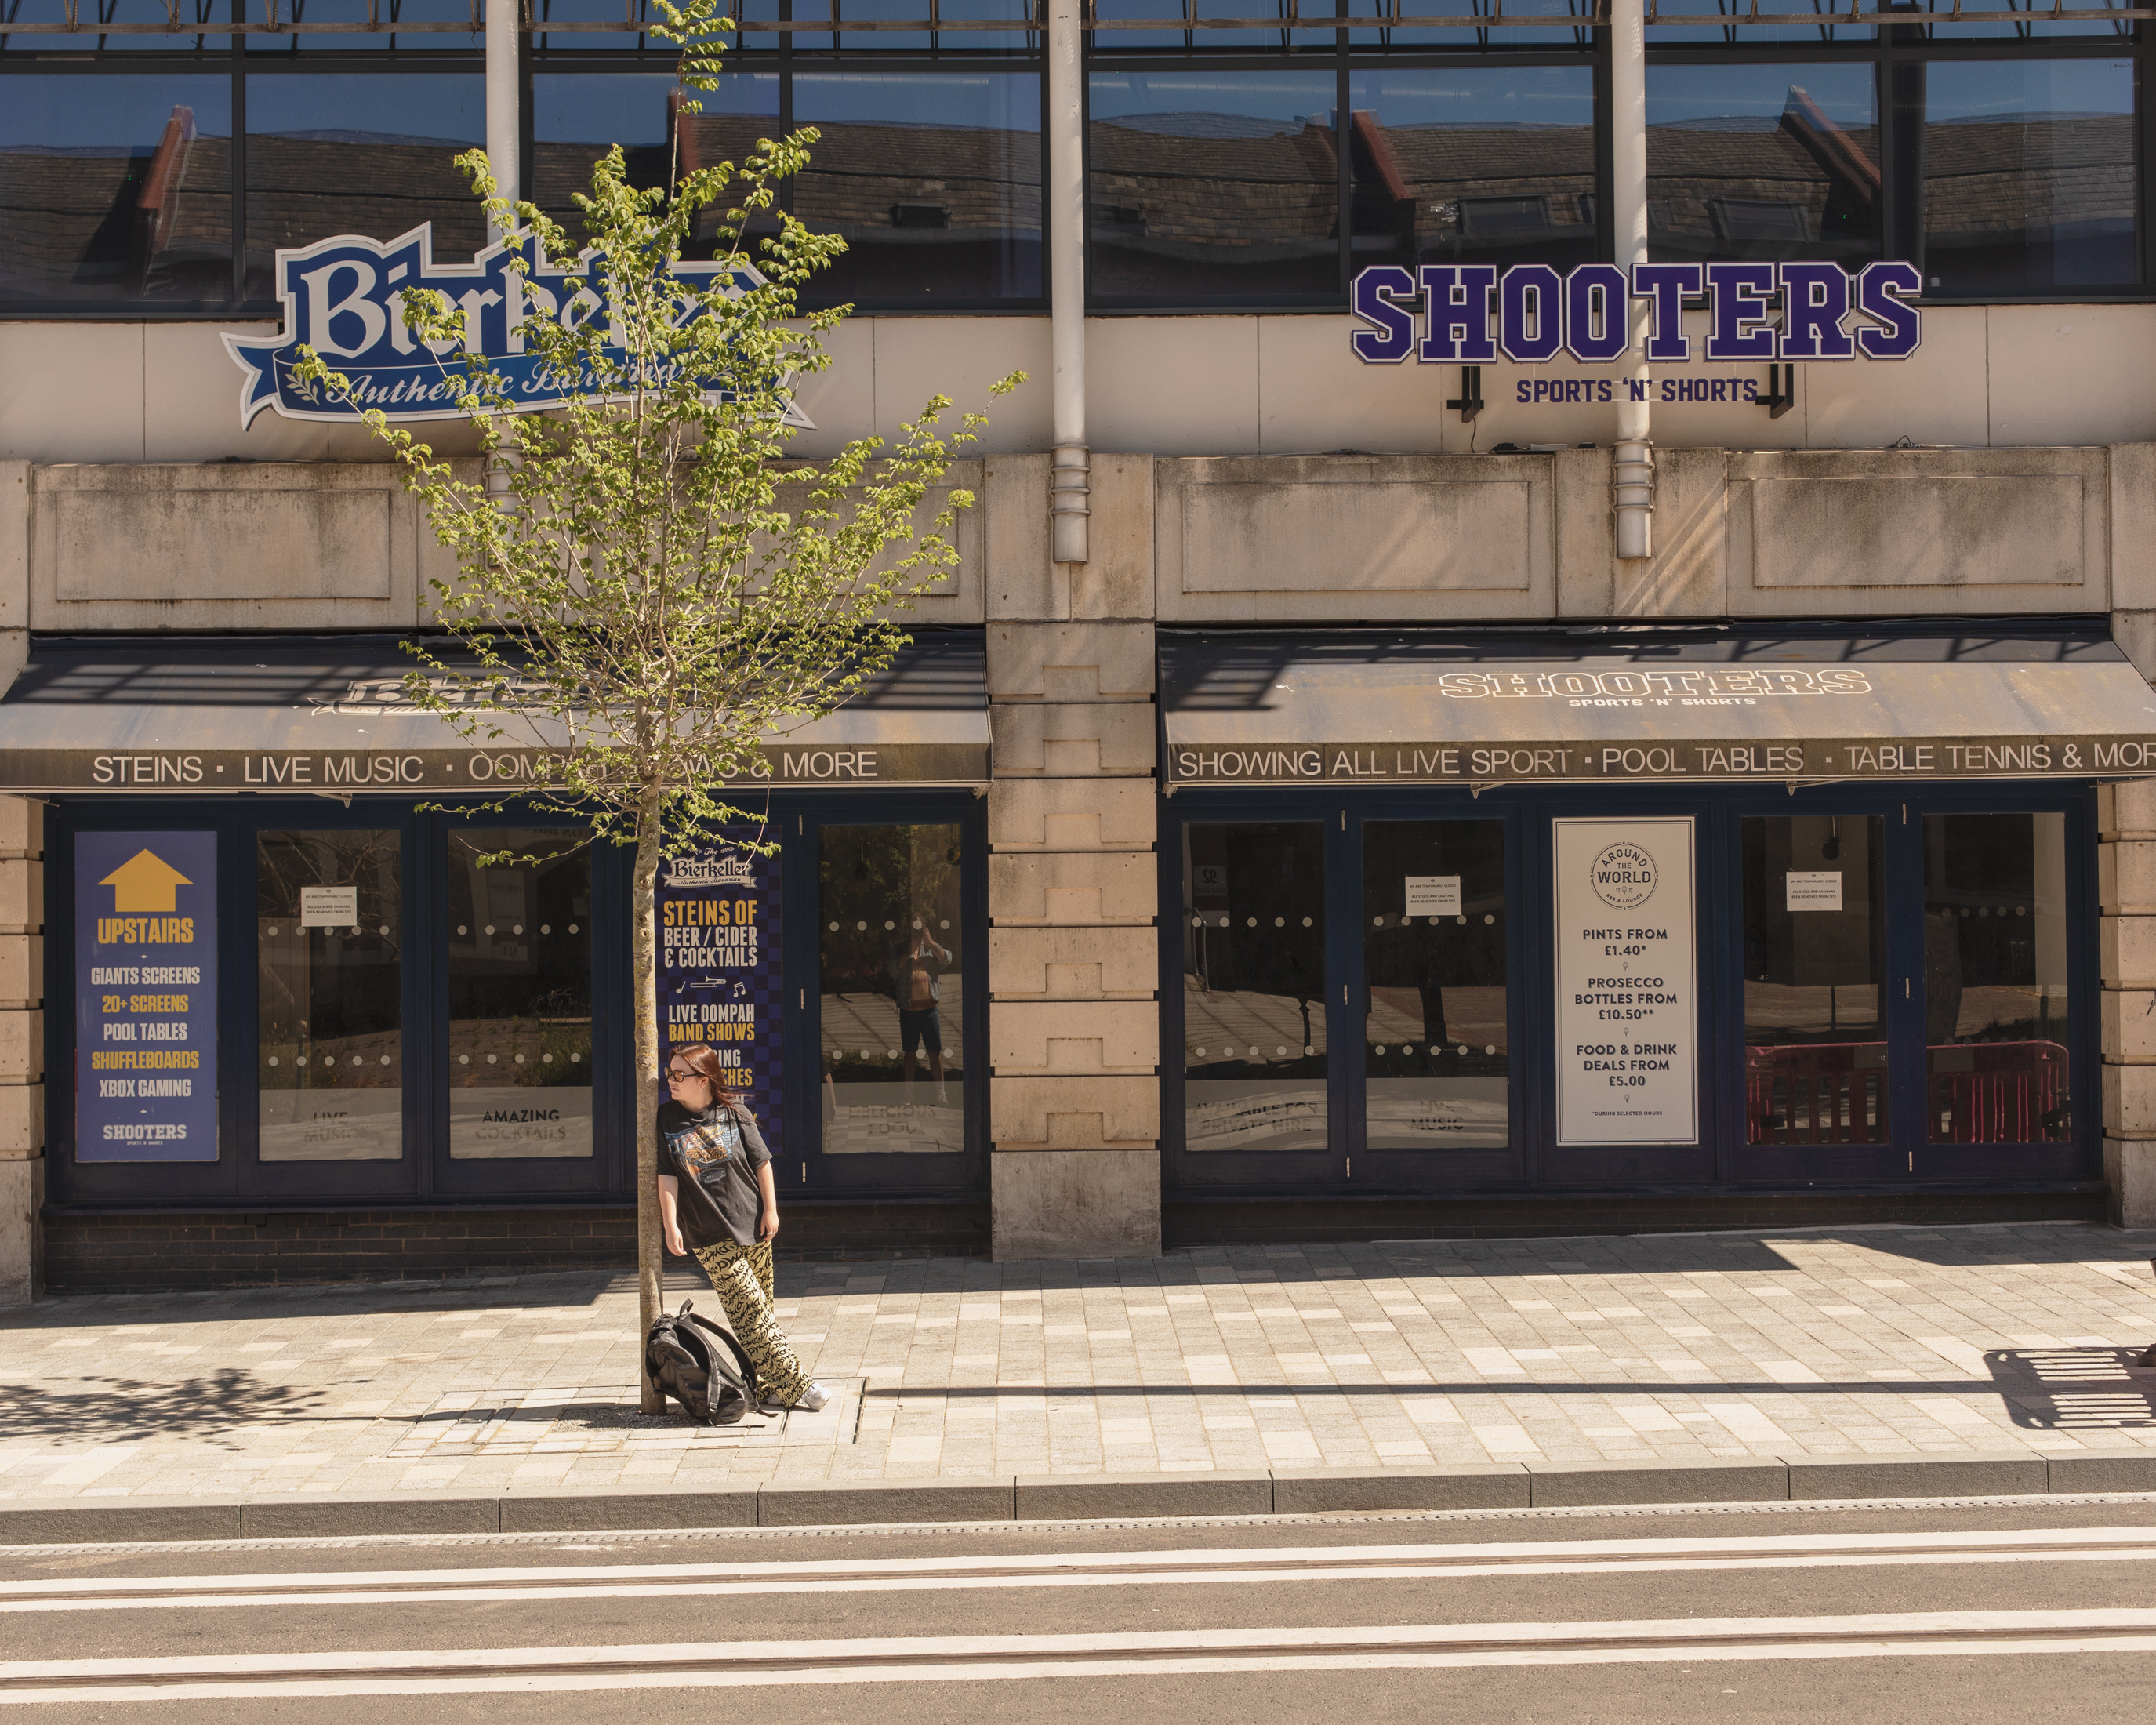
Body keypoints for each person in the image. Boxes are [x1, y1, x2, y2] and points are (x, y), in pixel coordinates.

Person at [655, 1043, 829, 1411]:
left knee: (759, 1313)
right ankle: (801, 1387)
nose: (670, 1080)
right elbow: (667, 1175)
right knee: (749, 1310)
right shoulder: (666, 1119)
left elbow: (762, 1162)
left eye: (679, 1074)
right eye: (670, 1073)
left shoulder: (734, 1113)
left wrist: (772, 1210)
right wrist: (670, 1224)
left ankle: (766, 1387)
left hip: (751, 1223)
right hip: (707, 1234)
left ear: (703, 1079)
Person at [892, 917, 953, 1105]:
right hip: (909, 1009)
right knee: (910, 1053)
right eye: (913, 925)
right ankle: (908, 1095)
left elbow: (947, 959)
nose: (916, 929)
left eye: (919, 925)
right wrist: (910, 949)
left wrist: (931, 942)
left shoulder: (930, 948)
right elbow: (895, 967)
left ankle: (940, 1093)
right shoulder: (902, 947)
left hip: (930, 1009)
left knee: (935, 1053)